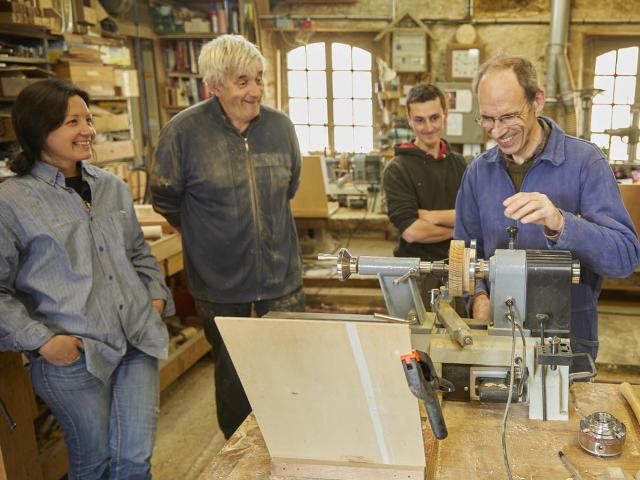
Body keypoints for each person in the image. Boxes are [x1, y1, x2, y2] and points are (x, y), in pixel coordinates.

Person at [0, 79, 174, 479]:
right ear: (39, 130)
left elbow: (137, 253)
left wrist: (155, 298)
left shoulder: (111, 187)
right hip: (74, 358)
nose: (88, 131)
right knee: (94, 462)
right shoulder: (12, 202)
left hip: (136, 341)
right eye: (72, 121)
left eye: (89, 119)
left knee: (134, 461)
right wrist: (43, 341)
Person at [150, 34, 305, 439]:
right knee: (234, 378)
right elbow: (166, 200)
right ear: (213, 86)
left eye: (258, 79)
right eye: (242, 81)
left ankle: (292, 444)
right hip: (219, 285)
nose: (254, 91)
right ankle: (241, 453)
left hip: (280, 279)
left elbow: (289, 190)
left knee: (290, 371)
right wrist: (210, 237)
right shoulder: (183, 133)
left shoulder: (280, 128)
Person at [454, 56, 640, 364]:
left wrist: (560, 223)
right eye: (487, 119)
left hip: (569, 339)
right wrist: (479, 296)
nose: (497, 132)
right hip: (497, 335)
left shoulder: (585, 163)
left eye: (508, 117)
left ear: (537, 101)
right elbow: (465, 253)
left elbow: (625, 258)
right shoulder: (477, 173)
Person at [383, 84, 467, 303]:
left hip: (456, 269)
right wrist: (461, 228)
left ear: (445, 116)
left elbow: (473, 215)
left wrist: (430, 216)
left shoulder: (460, 165)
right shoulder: (397, 169)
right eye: (419, 120)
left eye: (434, 118)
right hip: (415, 272)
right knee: (416, 335)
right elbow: (412, 232)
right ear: (410, 120)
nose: (428, 127)